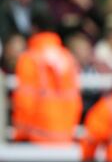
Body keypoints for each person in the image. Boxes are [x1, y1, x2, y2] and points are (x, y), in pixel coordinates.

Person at [12, 15, 82, 143]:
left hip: (35, 138)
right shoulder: (67, 58)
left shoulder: (29, 59)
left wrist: (20, 135)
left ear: (34, 29)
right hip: (64, 137)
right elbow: (75, 100)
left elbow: (24, 101)